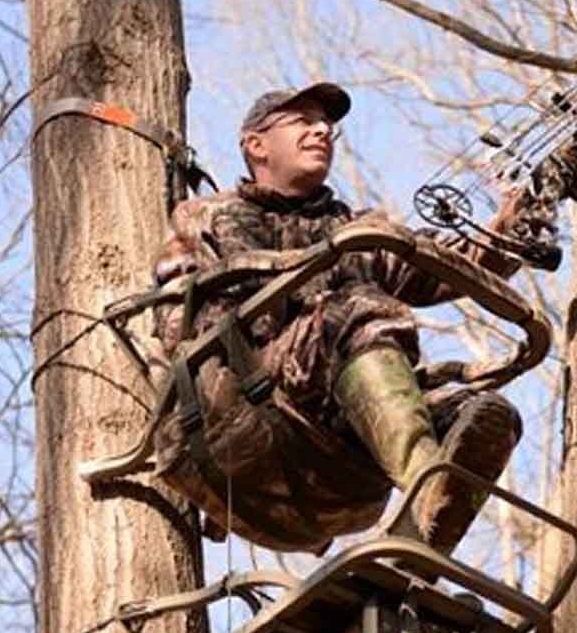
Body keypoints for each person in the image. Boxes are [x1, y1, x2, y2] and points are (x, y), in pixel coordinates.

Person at [150, 82, 525, 556]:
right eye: (302, 121)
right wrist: (274, 306)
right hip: (249, 412)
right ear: (256, 144)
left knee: (482, 416)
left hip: (339, 453)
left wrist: (517, 220)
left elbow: (449, 268)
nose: (321, 130)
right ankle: (427, 479)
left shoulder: (354, 228)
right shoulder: (205, 217)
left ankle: (416, 541)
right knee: (359, 310)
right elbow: (176, 322)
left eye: (327, 124)